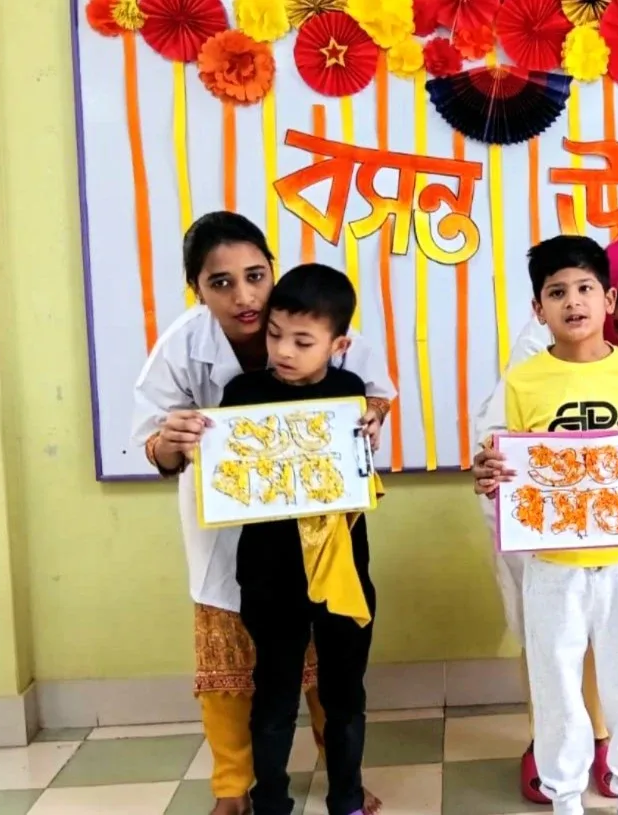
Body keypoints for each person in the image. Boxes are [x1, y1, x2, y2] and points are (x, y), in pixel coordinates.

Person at [130, 211, 393, 815]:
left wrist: (370, 418)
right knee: (238, 665)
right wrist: (171, 441)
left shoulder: (318, 312)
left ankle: (344, 781)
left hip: (327, 537)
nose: (245, 297)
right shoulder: (186, 348)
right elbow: (151, 443)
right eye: (220, 282)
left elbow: (372, 395)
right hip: (238, 535)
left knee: (334, 668)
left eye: (255, 275)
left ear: (272, 269)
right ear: (197, 289)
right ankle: (235, 789)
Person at [469, 235, 618, 803]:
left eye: (586, 288)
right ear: (538, 308)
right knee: (555, 681)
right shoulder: (524, 379)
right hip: (551, 562)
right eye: (557, 292)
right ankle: (564, 794)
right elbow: (506, 454)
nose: (573, 301)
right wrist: (489, 468)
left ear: (604, 298)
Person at [221, 264, 379, 815]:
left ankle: (347, 797)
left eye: (303, 341)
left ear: (339, 345)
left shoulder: (350, 395)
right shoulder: (242, 394)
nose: (283, 351)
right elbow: (229, 477)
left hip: (341, 570)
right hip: (269, 574)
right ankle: (270, 802)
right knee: (274, 695)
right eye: (274, 335)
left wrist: (367, 436)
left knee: (345, 694)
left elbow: (357, 475)